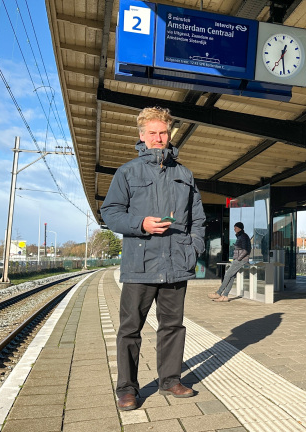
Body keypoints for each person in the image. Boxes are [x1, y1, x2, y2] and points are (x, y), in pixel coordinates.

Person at [100, 106, 206, 411]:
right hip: (140, 264)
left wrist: (193, 248)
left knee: (173, 326)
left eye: (163, 133)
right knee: (130, 329)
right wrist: (141, 224)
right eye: (152, 133)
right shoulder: (127, 172)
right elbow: (110, 213)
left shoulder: (184, 174)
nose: (158, 138)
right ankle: (127, 389)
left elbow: (198, 218)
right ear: (142, 135)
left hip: (176, 264)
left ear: (169, 134)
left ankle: (170, 380)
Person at [209, 222, 251, 302]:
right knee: (231, 277)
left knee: (228, 274)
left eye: (236, 227)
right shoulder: (240, 236)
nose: (234, 229)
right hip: (238, 259)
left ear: (240, 228)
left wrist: (238, 259)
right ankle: (225, 296)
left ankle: (218, 292)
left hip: (240, 260)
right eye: (234, 227)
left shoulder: (243, 236)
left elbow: (246, 250)